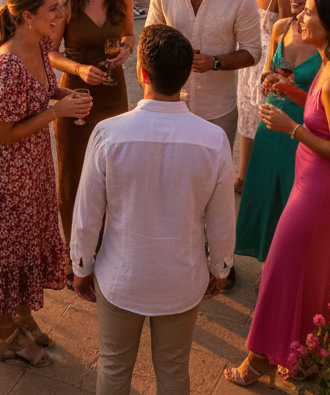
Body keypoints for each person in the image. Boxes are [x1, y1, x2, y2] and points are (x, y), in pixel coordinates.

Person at [71, 24, 235, 395]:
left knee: (113, 368)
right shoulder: (213, 140)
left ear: (141, 73)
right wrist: (219, 267)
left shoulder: (108, 134)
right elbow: (222, 218)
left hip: (121, 276)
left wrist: (81, 266)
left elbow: (88, 212)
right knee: (174, 370)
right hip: (182, 279)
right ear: (186, 74)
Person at [226, 0, 330, 386]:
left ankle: (259, 360)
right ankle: (307, 356)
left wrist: (292, 128)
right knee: (310, 275)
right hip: (314, 185)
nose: (299, 17)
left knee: (280, 271)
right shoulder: (329, 66)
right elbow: (325, 112)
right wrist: (293, 92)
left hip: (319, 192)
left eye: (309, 12)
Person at [0, 0, 92, 368]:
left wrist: (67, 95)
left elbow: (45, 89)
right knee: (8, 253)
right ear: (27, 16)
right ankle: (4, 338)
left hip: (35, 166)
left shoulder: (41, 43)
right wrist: (56, 113)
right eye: (52, 8)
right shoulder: (6, 63)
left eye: (59, 6)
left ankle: (21, 315)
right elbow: (3, 133)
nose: (60, 14)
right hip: (10, 172)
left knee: (27, 245)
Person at [145, 0, 263, 271]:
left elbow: (253, 51)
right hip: (168, 107)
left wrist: (214, 62)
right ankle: (172, 252)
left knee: (213, 190)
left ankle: (216, 259)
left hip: (217, 111)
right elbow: (149, 40)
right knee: (168, 183)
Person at [235, 0, 330, 262]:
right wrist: (268, 81)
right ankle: (267, 260)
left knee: (292, 201)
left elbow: (325, 107)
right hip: (270, 124)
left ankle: (287, 264)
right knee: (264, 194)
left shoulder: (327, 43)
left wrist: (291, 90)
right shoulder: (282, 27)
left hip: (301, 131)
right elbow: (267, 71)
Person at [51, 0, 134, 281]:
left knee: (112, 176)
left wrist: (128, 49)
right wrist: (80, 68)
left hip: (115, 96)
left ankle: (107, 250)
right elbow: (50, 53)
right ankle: (75, 257)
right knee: (73, 178)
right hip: (76, 99)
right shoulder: (66, 0)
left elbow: (129, 34)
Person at [236, 0, 303, 193]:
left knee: (248, 114)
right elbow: (288, 26)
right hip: (270, 54)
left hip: (249, 51)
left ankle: (242, 175)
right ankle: (262, 178)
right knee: (267, 115)